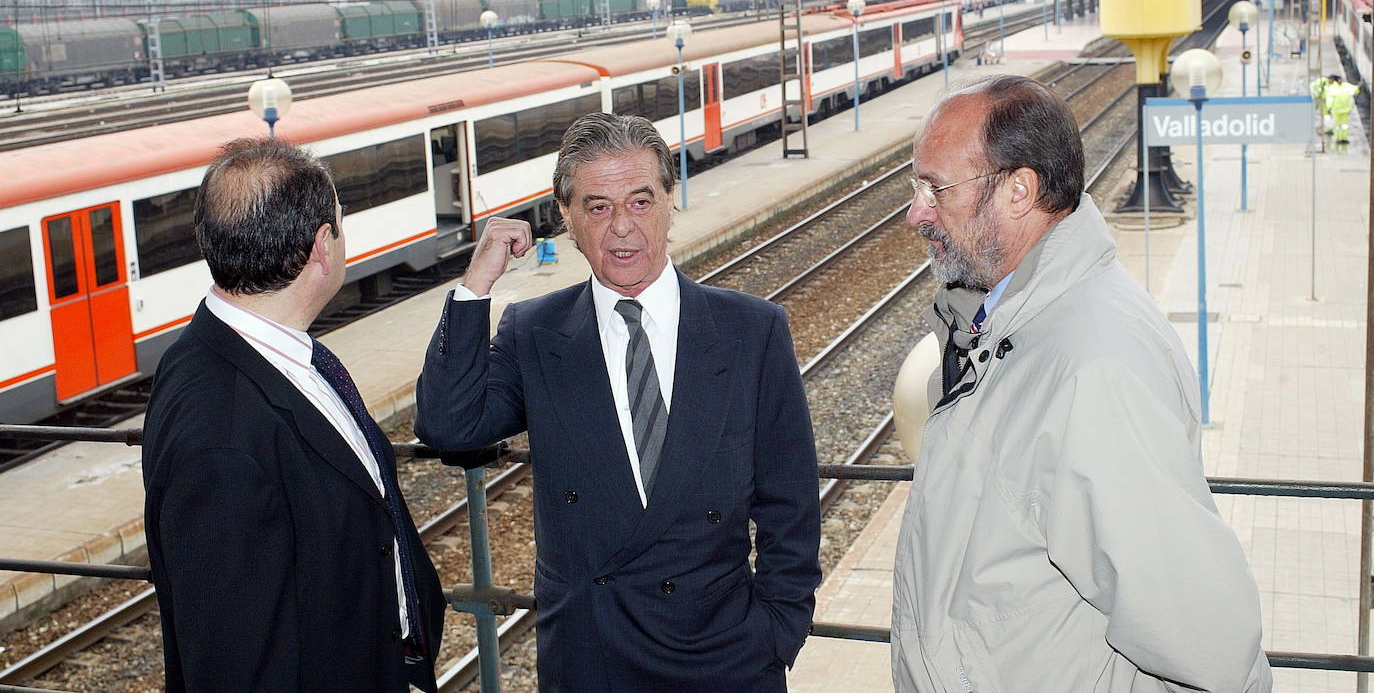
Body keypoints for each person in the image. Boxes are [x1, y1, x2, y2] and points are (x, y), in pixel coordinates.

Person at [415, 112, 821, 692]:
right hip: (592, 656)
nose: (622, 228)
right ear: (568, 216)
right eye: (598, 206)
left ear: (669, 201)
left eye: (640, 201)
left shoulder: (752, 331)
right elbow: (449, 425)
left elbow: (791, 505)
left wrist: (774, 634)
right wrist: (476, 286)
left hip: (725, 657)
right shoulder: (535, 331)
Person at [892, 75, 1272, 692]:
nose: (917, 212)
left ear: (1019, 190)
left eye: (936, 188)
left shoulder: (1094, 367)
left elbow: (1210, 641)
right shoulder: (1010, 324)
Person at [142, 138, 445, 693]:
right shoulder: (221, 431)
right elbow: (237, 661)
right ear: (322, 245)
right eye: (341, 221)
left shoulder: (267, 356)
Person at [1324, 73, 1360, 144]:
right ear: (1336, 80)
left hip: (1345, 110)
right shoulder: (1333, 88)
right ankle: (1338, 139)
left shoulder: (1345, 86)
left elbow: (1355, 90)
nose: (1341, 81)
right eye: (1340, 80)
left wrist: (1358, 87)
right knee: (1337, 125)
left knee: (1344, 125)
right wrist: (1329, 108)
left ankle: (1344, 138)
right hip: (1337, 110)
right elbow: (1329, 99)